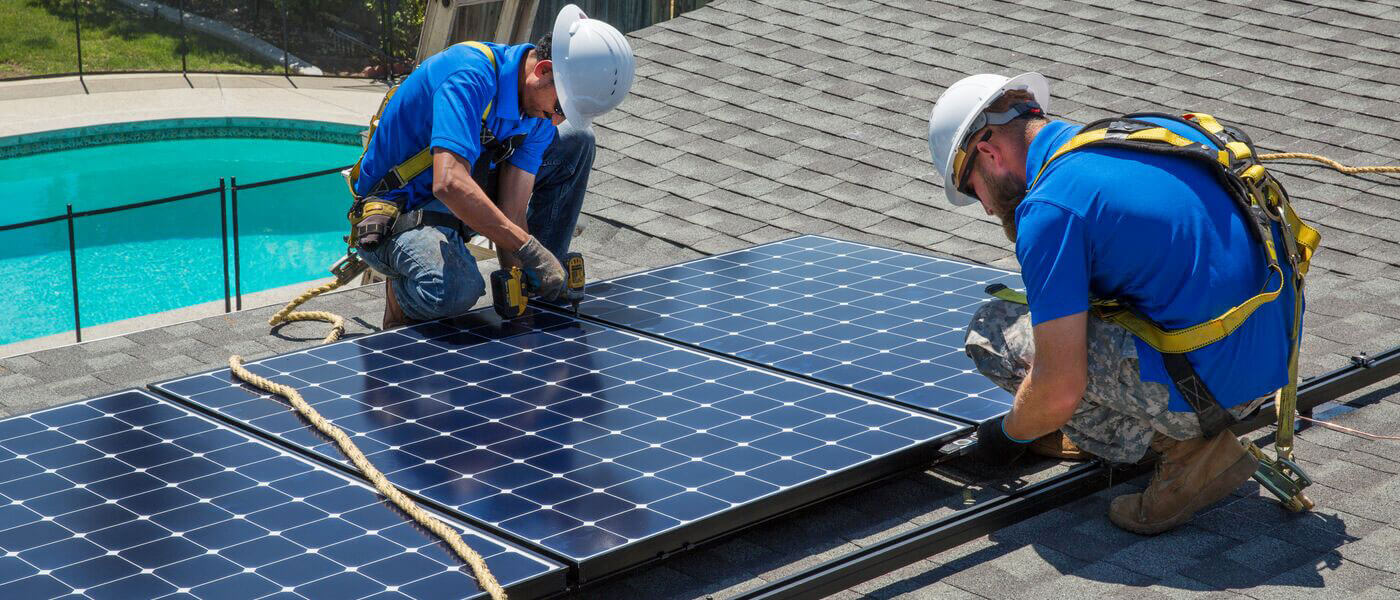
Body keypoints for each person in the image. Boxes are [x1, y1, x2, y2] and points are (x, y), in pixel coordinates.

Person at [927, 73, 1305, 534]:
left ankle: (1184, 450)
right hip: (1273, 365)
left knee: (993, 330)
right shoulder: (1146, 132)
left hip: (1212, 394)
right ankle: (1160, 426)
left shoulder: (1051, 210)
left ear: (988, 152)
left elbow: (1059, 386)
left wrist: (1003, 439)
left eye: (971, 189)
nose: (985, 207)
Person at [349, 5, 634, 328]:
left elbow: (512, 207)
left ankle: (542, 281)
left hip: (468, 192)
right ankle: (402, 298)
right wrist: (527, 248)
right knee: (454, 290)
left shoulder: (536, 109)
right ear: (542, 70)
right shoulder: (468, 75)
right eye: (560, 107)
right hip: (401, 208)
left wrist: (520, 277)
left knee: (576, 140)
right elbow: (449, 183)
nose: (557, 119)